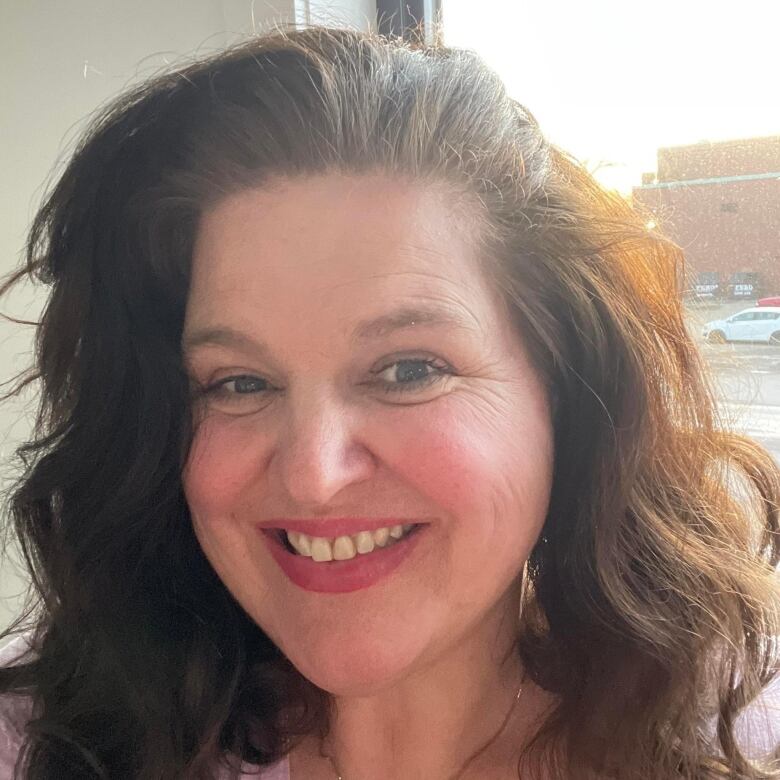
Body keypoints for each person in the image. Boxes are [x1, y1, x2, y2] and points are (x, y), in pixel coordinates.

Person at [0, 25, 778, 780]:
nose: (312, 474)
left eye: (409, 370)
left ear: (568, 397)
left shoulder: (741, 733)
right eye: (239, 382)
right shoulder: (49, 738)